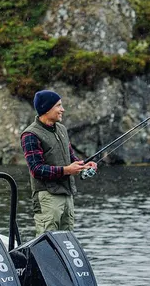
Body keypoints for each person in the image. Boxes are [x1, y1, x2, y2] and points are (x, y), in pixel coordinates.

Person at [21, 90, 97, 236]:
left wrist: (84, 166)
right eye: (58, 106)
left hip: (67, 195)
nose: (63, 109)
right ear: (46, 108)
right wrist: (67, 170)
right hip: (47, 197)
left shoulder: (62, 129)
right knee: (47, 242)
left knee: (66, 241)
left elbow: (71, 158)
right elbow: (37, 170)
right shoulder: (30, 134)